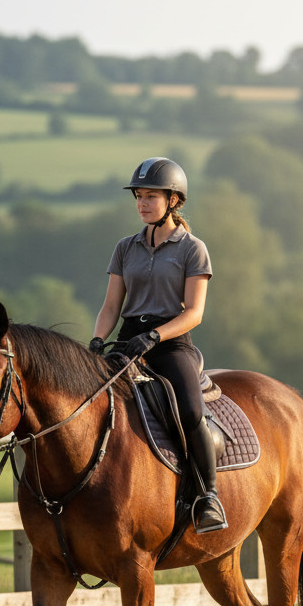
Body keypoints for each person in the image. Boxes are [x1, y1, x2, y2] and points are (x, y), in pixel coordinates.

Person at [89, 157, 227, 533]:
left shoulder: (192, 249)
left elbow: (194, 312)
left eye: (151, 196)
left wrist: (155, 335)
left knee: (190, 411)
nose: (143, 204)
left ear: (173, 200)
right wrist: (98, 340)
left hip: (170, 343)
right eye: (139, 197)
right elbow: (111, 306)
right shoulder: (125, 247)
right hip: (128, 339)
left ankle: (208, 496)